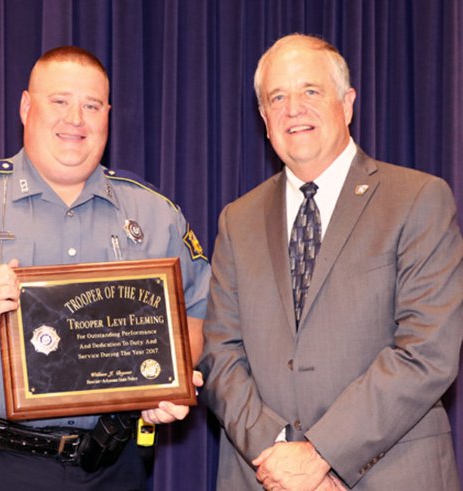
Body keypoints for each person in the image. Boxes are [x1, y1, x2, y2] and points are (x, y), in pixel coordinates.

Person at [0, 46, 210, 490]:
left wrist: (166, 383)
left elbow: (193, 320)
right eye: (60, 101)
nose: (76, 120)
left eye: (91, 106)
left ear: (108, 114)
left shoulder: (155, 213)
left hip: (113, 466)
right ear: (27, 107)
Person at [198, 33, 463, 490]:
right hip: (265, 475)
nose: (293, 108)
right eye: (277, 97)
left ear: (348, 102)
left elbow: (426, 352)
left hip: (391, 475)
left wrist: (321, 453)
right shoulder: (236, 220)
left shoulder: (418, 199)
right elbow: (220, 353)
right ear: (264, 118)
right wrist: (278, 452)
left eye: (310, 91)